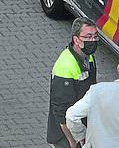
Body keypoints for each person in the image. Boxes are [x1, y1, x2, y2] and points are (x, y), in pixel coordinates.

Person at [47, 18, 99, 148]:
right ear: (76, 40)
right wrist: (72, 141)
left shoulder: (89, 57)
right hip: (65, 135)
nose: (92, 40)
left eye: (95, 36)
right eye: (88, 37)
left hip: (81, 125)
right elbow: (61, 111)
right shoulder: (65, 67)